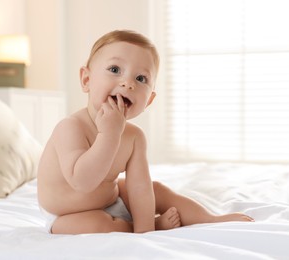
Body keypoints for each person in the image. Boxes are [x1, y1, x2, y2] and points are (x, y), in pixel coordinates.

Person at [37, 30, 254, 234]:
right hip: (67, 214)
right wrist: (109, 135)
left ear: (148, 100)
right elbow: (82, 182)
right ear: (86, 80)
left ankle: (209, 219)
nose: (128, 83)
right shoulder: (71, 127)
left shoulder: (134, 137)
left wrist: (145, 229)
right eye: (115, 70)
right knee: (98, 224)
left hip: (110, 199)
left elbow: (139, 188)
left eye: (141, 79)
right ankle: (135, 227)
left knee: (155, 189)